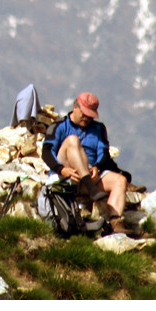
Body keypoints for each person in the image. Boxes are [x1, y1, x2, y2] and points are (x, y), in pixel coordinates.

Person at [42, 91, 130, 234]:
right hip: (66, 174)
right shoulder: (59, 125)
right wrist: (61, 169)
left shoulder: (98, 129)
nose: (87, 118)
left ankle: (115, 222)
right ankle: (90, 187)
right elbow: (47, 152)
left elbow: (104, 153)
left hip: (91, 175)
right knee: (72, 140)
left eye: (90, 115)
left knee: (120, 180)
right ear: (75, 107)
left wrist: (97, 167)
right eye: (84, 113)